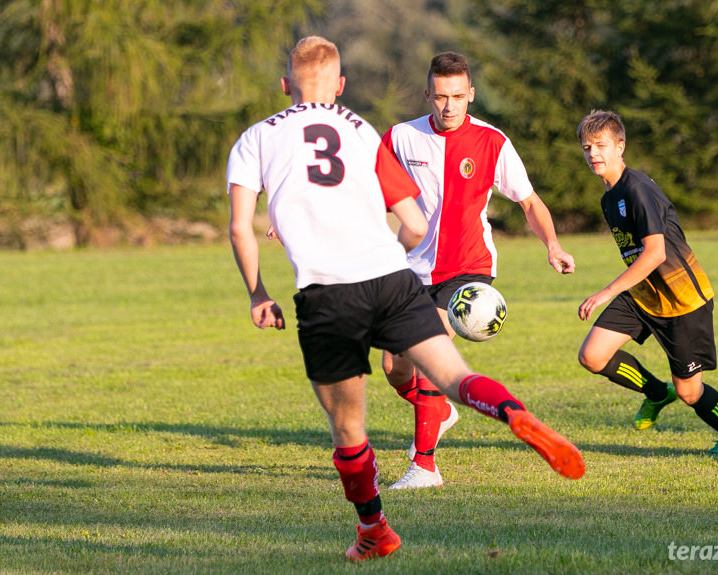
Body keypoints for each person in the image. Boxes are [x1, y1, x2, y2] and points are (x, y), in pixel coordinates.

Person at [227, 36, 585, 563]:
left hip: (333, 293)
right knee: (448, 377)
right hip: (396, 277)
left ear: (285, 87)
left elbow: (240, 228)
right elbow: (415, 224)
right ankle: (511, 414)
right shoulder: (367, 132)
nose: (448, 105)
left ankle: (376, 528)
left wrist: (259, 291)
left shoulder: (257, 138)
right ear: (341, 87)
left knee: (349, 428)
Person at [381, 51, 576, 490]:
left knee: (429, 356)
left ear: (471, 94)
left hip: (468, 270)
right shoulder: (399, 138)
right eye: (440, 96)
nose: (448, 106)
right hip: (413, 271)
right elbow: (359, 186)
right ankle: (442, 410)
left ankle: (425, 468)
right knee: (394, 366)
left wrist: (553, 245)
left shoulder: (492, 141)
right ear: (427, 94)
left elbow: (529, 201)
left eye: (457, 96)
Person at [574, 109, 718, 456]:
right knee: (592, 356)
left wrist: (608, 291)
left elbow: (654, 253)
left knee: (689, 393)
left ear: (620, 146)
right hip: (643, 294)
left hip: (681, 299)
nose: (593, 153)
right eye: (586, 147)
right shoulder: (608, 197)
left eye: (601, 145)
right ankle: (655, 392)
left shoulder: (636, 189)